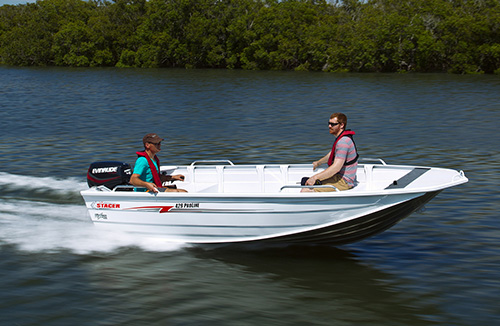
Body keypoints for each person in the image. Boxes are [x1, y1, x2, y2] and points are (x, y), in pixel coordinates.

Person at [302, 113, 358, 192]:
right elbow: (332, 153)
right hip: (338, 177)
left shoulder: (343, 142)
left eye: (333, 124)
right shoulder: (342, 139)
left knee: (305, 191)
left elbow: (336, 167)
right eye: (329, 123)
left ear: (342, 125)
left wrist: (315, 177)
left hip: (344, 182)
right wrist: (319, 162)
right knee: (305, 182)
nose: (329, 126)